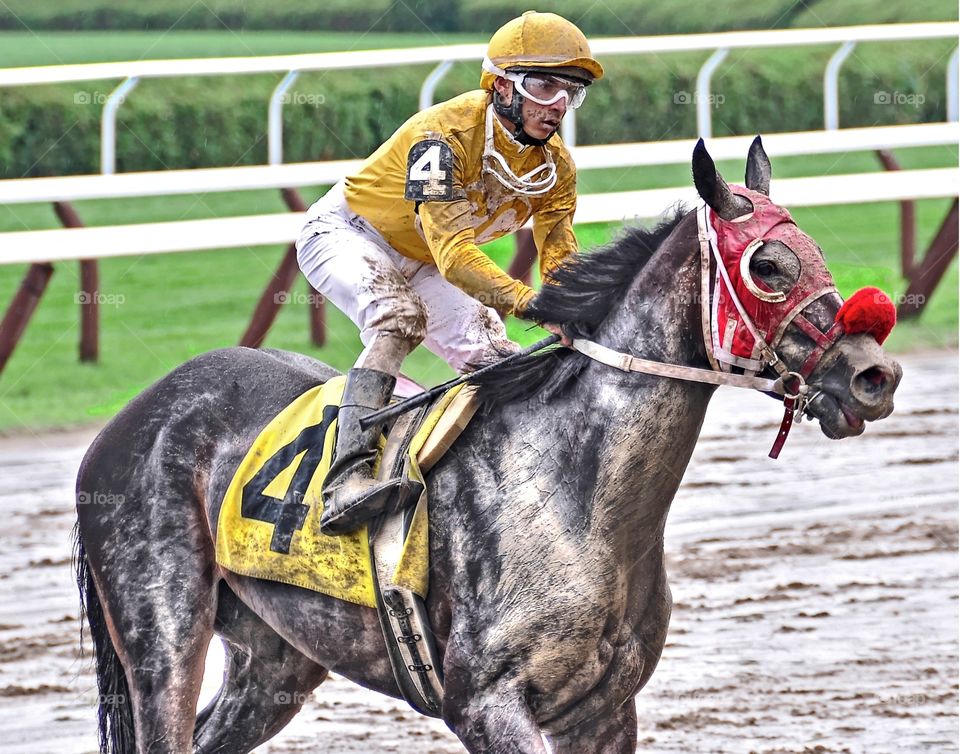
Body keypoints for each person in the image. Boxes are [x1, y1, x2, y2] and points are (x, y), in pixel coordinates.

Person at [295, 10, 603, 535]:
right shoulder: (440, 137)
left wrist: (573, 306)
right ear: (501, 85)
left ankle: (506, 480)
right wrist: (532, 305)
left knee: (498, 357)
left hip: (427, 258)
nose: (557, 107)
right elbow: (456, 255)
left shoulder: (556, 167)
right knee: (399, 319)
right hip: (349, 233)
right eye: (543, 86)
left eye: (570, 92)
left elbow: (558, 250)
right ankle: (346, 479)